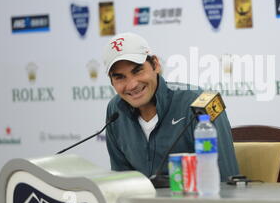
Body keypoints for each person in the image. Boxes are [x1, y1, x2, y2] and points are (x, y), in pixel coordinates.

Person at [102, 32, 239, 181]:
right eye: (119, 77)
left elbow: (227, 180)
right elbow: (121, 182)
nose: (132, 84)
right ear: (111, 82)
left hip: (199, 202)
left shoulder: (201, 102)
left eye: (137, 70)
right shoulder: (115, 110)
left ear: (155, 64)